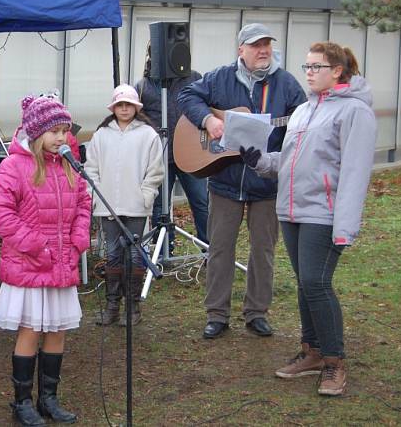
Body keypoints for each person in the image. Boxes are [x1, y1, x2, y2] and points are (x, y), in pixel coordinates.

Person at [241, 41, 376, 396]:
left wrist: (344, 226)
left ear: (337, 71)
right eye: (307, 67)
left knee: (316, 283)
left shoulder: (354, 112)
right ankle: (312, 351)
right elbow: (288, 162)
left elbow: (355, 173)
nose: (310, 73)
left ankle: (334, 362)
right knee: (305, 284)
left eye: (316, 67)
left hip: (324, 214)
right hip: (292, 211)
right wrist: (260, 161)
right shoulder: (302, 111)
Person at [177, 23, 306, 340]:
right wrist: (208, 120)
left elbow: (303, 121)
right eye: (255, 45)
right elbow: (187, 95)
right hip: (224, 179)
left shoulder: (287, 84)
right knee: (220, 248)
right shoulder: (219, 78)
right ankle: (217, 314)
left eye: (266, 44)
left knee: (263, 250)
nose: (263, 50)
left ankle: (256, 312)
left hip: (266, 184)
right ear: (241, 50)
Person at [0, 94, 92, 426]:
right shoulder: (14, 166)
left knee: (57, 331)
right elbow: (0, 213)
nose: (62, 137)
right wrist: (36, 246)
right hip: (31, 265)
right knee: (31, 330)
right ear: (36, 133)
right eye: (55, 132)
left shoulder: (68, 164)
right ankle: (22, 402)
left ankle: (49, 398)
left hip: (62, 264)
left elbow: (83, 204)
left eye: (65, 130)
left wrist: (78, 241)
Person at [84, 84, 163, 326]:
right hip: (107, 207)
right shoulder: (101, 135)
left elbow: (155, 170)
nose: (125, 108)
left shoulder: (148, 135)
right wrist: (95, 195)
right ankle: (112, 307)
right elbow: (91, 169)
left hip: (136, 206)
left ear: (136, 107)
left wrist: (146, 195)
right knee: (113, 255)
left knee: (135, 254)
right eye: (120, 104)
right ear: (114, 107)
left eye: (129, 104)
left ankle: (133, 309)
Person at [135, 42, 209, 248]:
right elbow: (135, 119)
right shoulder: (143, 87)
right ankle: (164, 248)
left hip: (192, 154)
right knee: (161, 206)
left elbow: (208, 108)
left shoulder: (194, 79)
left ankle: (209, 249)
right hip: (161, 157)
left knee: (201, 201)